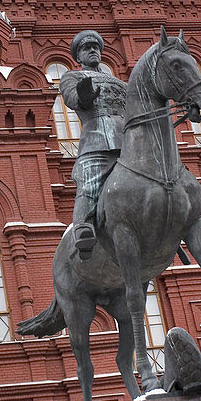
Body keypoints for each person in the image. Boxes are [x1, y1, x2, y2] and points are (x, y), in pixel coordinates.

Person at [58, 30, 128, 260]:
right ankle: (83, 229)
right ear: (78, 56)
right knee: (89, 184)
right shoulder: (72, 78)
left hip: (129, 141)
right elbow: (74, 100)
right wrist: (84, 96)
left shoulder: (120, 83)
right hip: (97, 140)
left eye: (96, 47)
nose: (93, 50)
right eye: (87, 48)